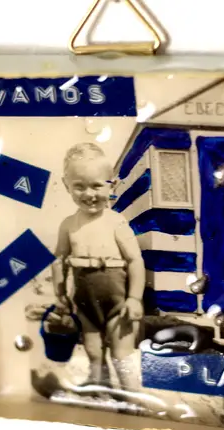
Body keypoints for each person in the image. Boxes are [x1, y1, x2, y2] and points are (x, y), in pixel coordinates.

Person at [52, 143, 145, 390]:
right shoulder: (68, 225)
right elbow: (59, 259)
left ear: (111, 185)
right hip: (85, 304)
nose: (89, 194)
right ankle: (99, 389)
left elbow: (135, 260)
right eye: (79, 186)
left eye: (96, 185)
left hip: (118, 304)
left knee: (121, 353)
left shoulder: (116, 222)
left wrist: (135, 299)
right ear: (66, 185)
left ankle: (132, 393)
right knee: (93, 351)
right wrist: (60, 294)